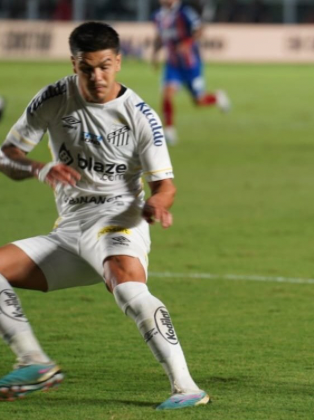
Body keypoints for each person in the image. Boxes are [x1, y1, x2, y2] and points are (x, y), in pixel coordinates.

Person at [0, 22, 209, 411]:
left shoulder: (140, 116)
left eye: (105, 66)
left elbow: (166, 185)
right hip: (69, 231)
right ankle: (34, 361)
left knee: (127, 286)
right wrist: (39, 169)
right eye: (87, 68)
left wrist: (160, 203)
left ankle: (186, 388)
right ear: (74, 63)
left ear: (119, 61)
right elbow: (6, 155)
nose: (97, 77)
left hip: (119, 219)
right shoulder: (53, 98)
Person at [152, 0, 230, 145]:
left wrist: (187, 43)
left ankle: (217, 97)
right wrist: (155, 54)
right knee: (167, 93)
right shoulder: (157, 16)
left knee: (198, 101)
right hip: (173, 64)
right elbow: (159, 36)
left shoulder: (184, 12)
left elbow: (199, 29)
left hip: (191, 64)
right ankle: (169, 130)